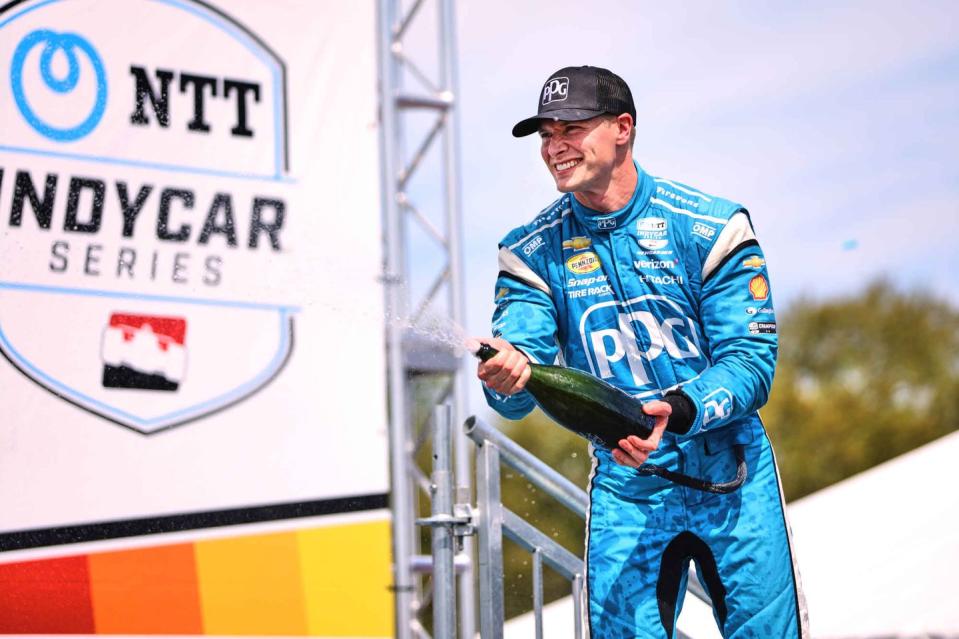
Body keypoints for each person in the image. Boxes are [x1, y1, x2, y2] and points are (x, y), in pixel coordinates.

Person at [474, 66, 808, 638]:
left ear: (622, 128)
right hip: (628, 485)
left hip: (734, 477)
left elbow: (752, 362)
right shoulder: (528, 252)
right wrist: (504, 378)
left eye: (571, 128)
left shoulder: (712, 225)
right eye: (546, 134)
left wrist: (676, 411)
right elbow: (514, 388)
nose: (555, 146)